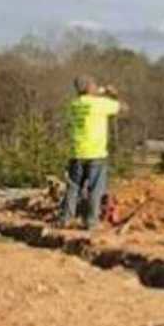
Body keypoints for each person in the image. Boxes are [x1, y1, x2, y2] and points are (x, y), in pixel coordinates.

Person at [57, 76, 124, 231]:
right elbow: (122, 108)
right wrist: (113, 94)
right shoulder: (100, 104)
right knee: (95, 189)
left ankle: (65, 219)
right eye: (94, 84)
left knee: (73, 188)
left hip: (77, 153)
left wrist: (98, 92)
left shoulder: (73, 105)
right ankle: (91, 222)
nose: (96, 86)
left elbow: (85, 98)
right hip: (96, 153)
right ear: (89, 87)